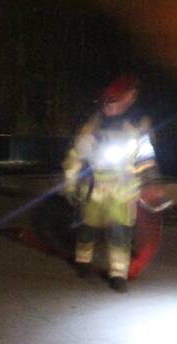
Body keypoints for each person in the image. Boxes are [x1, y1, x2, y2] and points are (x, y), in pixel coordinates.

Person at [62, 75, 158, 292]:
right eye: (107, 103)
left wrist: (150, 180)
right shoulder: (92, 126)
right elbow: (76, 155)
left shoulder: (137, 126)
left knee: (120, 234)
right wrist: (71, 183)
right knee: (87, 229)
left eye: (114, 102)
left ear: (127, 100)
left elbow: (146, 156)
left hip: (122, 192)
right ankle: (83, 261)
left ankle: (118, 274)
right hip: (95, 188)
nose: (110, 107)